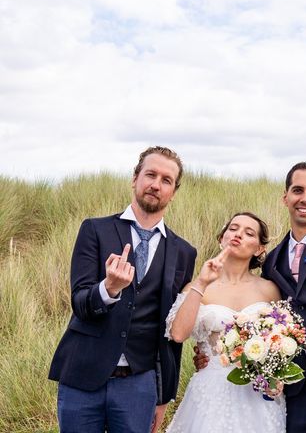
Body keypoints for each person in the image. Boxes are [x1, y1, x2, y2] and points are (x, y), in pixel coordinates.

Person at [195, 161, 306, 432]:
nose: (305, 198)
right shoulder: (273, 261)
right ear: (286, 197)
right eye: (298, 190)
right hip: (293, 389)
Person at [49, 146, 197, 433]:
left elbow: (171, 332)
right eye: (150, 174)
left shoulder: (183, 252)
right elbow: (80, 302)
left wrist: (164, 394)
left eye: (166, 180)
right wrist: (109, 288)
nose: (156, 184)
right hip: (83, 376)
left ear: (174, 192)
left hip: (138, 385)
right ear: (135, 178)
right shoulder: (94, 229)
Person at [164, 212, 285, 432]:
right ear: (222, 238)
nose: (238, 234)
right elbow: (178, 334)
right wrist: (201, 283)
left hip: (257, 395)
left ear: (259, 249)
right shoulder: (197, 286)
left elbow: (281, 343)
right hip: (211, 393)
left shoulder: (269, 289)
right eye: (233, 228)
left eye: (249, 233)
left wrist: (277, 378)